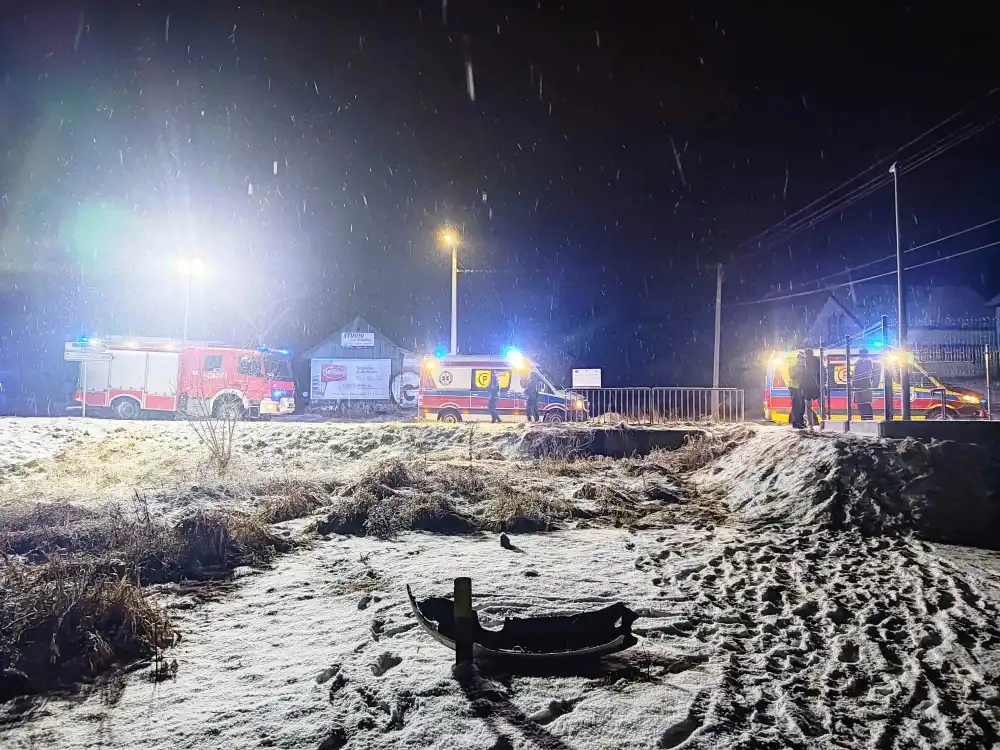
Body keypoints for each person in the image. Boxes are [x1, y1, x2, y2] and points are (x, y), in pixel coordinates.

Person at [852, 348, 874, 420]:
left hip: (862, 387)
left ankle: (867, 420)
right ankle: (865, 419)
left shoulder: (866, 362)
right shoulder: (862, 362)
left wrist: (854, 383)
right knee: (862, 405)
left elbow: (860, 374)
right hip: (860, 387)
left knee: (864, 405)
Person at [802, 348, 821, 429]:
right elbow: (822, 372)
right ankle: (824, 419)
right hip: (817, 385)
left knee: (808, 406)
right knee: (821, 404)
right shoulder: (817, 360)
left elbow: (802, 374)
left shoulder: (804, 361)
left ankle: (810, 424)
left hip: (808, 386)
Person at [788, 353, 806, 429]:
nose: (803, 360)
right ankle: (796, 423)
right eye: (802, 358)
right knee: (797, 407)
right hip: (796, 388)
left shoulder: (796, 364)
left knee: (801, 406)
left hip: (799, 387)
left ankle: (800, 422)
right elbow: (793, 376)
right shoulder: (796, 364)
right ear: (799, 357)